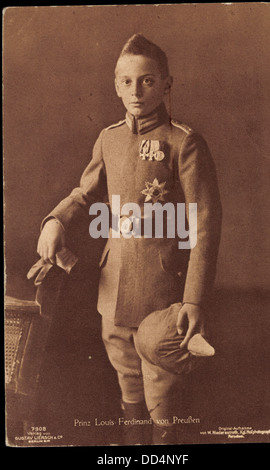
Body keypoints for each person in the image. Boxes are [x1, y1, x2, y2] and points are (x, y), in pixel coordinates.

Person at [37, 34, 222, 445]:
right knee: (125, 371)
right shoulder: (109, 138)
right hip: (113, 284)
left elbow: (205, 224)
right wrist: (56, 222)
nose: (135, 92)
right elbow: (84, 193)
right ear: (115, 84)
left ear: (167, 84)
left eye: (147, 81)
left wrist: (193, 299)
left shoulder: (183, 141)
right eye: (126, 82)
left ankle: (163, 447)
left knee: (158, 376)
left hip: (163, 284)